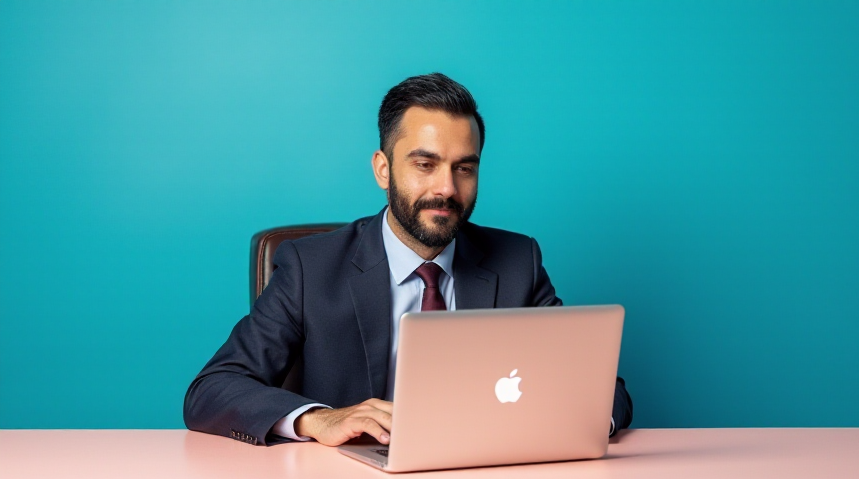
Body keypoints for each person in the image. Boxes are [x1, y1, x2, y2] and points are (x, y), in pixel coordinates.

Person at [183, 73, 633, 446]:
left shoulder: (519, 262)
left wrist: (575, 428)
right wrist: (317, 420)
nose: (447, 189)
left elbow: (605, 393)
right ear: (383, 168)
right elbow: (211, 390)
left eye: (465, 167)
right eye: (425, 164)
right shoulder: (308, 267)